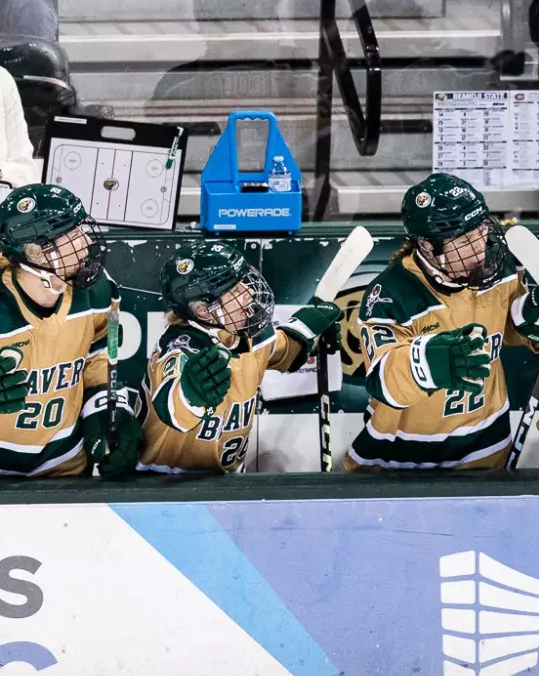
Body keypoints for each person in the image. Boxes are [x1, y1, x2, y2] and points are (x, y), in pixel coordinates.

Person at [348, 174, 539, 472]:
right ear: (427, 246)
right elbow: (383, 381)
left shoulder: (498, 270)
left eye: (481, 231)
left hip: (486, 452)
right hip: (400, 461)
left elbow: (510, 331)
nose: (480, 248)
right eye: (464, 240)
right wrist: (428, 364)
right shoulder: (392, 295)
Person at [139, 242, 341, 475]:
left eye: (244, 282)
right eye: (235, 291)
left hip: (228, 487)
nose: (250, 293)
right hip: (163, 487)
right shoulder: (178, 348)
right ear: (203, 310)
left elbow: (286, 348)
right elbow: (173, 408)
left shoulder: (249, 333)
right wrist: (190, 394)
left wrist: (313, 329)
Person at [0, 184, 140, 478]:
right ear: (36, 252)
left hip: (67, 468)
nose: (86, 240)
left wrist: (106, 407)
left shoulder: (102, 291)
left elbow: (104, 357)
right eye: (72, 233)